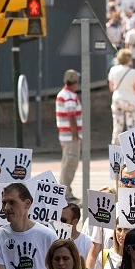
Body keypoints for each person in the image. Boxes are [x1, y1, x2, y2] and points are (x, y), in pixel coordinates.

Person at [0, 183, 58, 269]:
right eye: (4, 203)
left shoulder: (48, 235)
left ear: (27, 204)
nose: (6, 208)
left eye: (12, 202)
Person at [56, 69, 83, 202]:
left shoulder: (63, 94)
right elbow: (71, 116)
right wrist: (75, 134)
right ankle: (65, 193)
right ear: (76, 82)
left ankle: (66, 191)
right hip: (70, 136)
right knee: (70, 164)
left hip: (65, 135)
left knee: (67, 163)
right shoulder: (70, 96)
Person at [108, 49, 135, 145]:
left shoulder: (113, 70)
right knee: (131, 127)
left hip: (117, 99)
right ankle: (132, 149)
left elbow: (111, 87)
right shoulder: (134, 72)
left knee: (117, 126)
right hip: (131, 100)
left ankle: (115, 150)